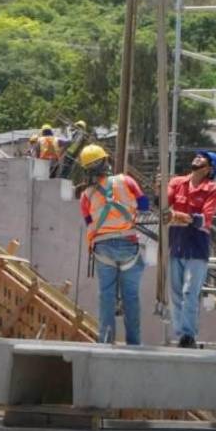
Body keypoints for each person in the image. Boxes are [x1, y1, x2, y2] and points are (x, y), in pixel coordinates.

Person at [79, 144, 150, 345]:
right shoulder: (126, 180)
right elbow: (144, 206)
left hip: (102, 249)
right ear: (106, 161)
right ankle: (134, 343)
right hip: (128, 244)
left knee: (107, 297)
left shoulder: (86, 196)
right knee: (131, 297)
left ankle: (106, 341)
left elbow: (89, 223)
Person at [167, 150, 216, 348]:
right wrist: (159, 193)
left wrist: (182, 217)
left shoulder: (212, 189)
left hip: (197, 248)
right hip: (177, 244)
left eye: (203, 157)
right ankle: (181, 332)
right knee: (175, 293)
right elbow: (165, 204)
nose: (197, 157)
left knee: (190, 292)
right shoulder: (177, 183)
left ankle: (188, 335)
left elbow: (205, 218)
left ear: (209, 168)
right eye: (197, 156)